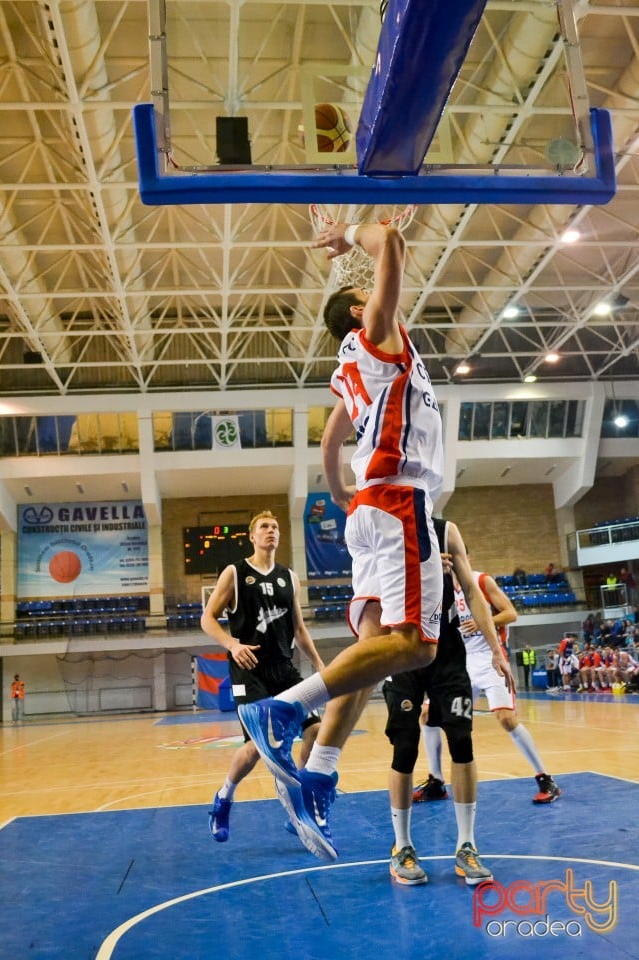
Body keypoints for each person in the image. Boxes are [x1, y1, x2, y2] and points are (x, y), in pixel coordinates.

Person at [238, 220, 510, 862]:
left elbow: (332, 442)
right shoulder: (377, 338)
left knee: (377, 651)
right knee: (416, 644)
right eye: (368, 299)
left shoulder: (349, 370)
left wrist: (337, 493)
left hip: (369, 506)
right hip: (397, 501)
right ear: (361, 313)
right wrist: (353, 235)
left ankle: (320, 771)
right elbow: (390, 243)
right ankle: (281, 710)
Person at [382, 518, 512, 886]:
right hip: (403, 642)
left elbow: (471, 590)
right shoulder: (383, 526)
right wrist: (421, 572)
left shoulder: (447, 529)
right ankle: (402, 847)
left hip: (447, 648)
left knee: (463, 741)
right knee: (405, 746)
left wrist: (496, 651)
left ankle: (467, 845)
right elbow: (370, 589)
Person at [200, 510, 324, 842]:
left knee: (316, 731)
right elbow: (207, 618)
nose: (271, 531)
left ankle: (301, 802)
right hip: (248, 669)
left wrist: (320, 666)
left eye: (275, 527)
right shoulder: (235, 573)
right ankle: (224, 797)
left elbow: (299, 629)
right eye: (264, 527)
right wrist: (230, 643)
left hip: (284, 669)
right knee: (257, 748)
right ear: (252, 537)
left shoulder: (290, 578)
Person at [415, 566, 561, 804]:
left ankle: (546, 778)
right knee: (427, 713)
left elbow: (511, 613)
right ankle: (437, 782)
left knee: (506, 719)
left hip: (489, 659)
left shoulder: (481, 581)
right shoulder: (439, 587)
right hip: (459, 662)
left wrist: (484, 622)